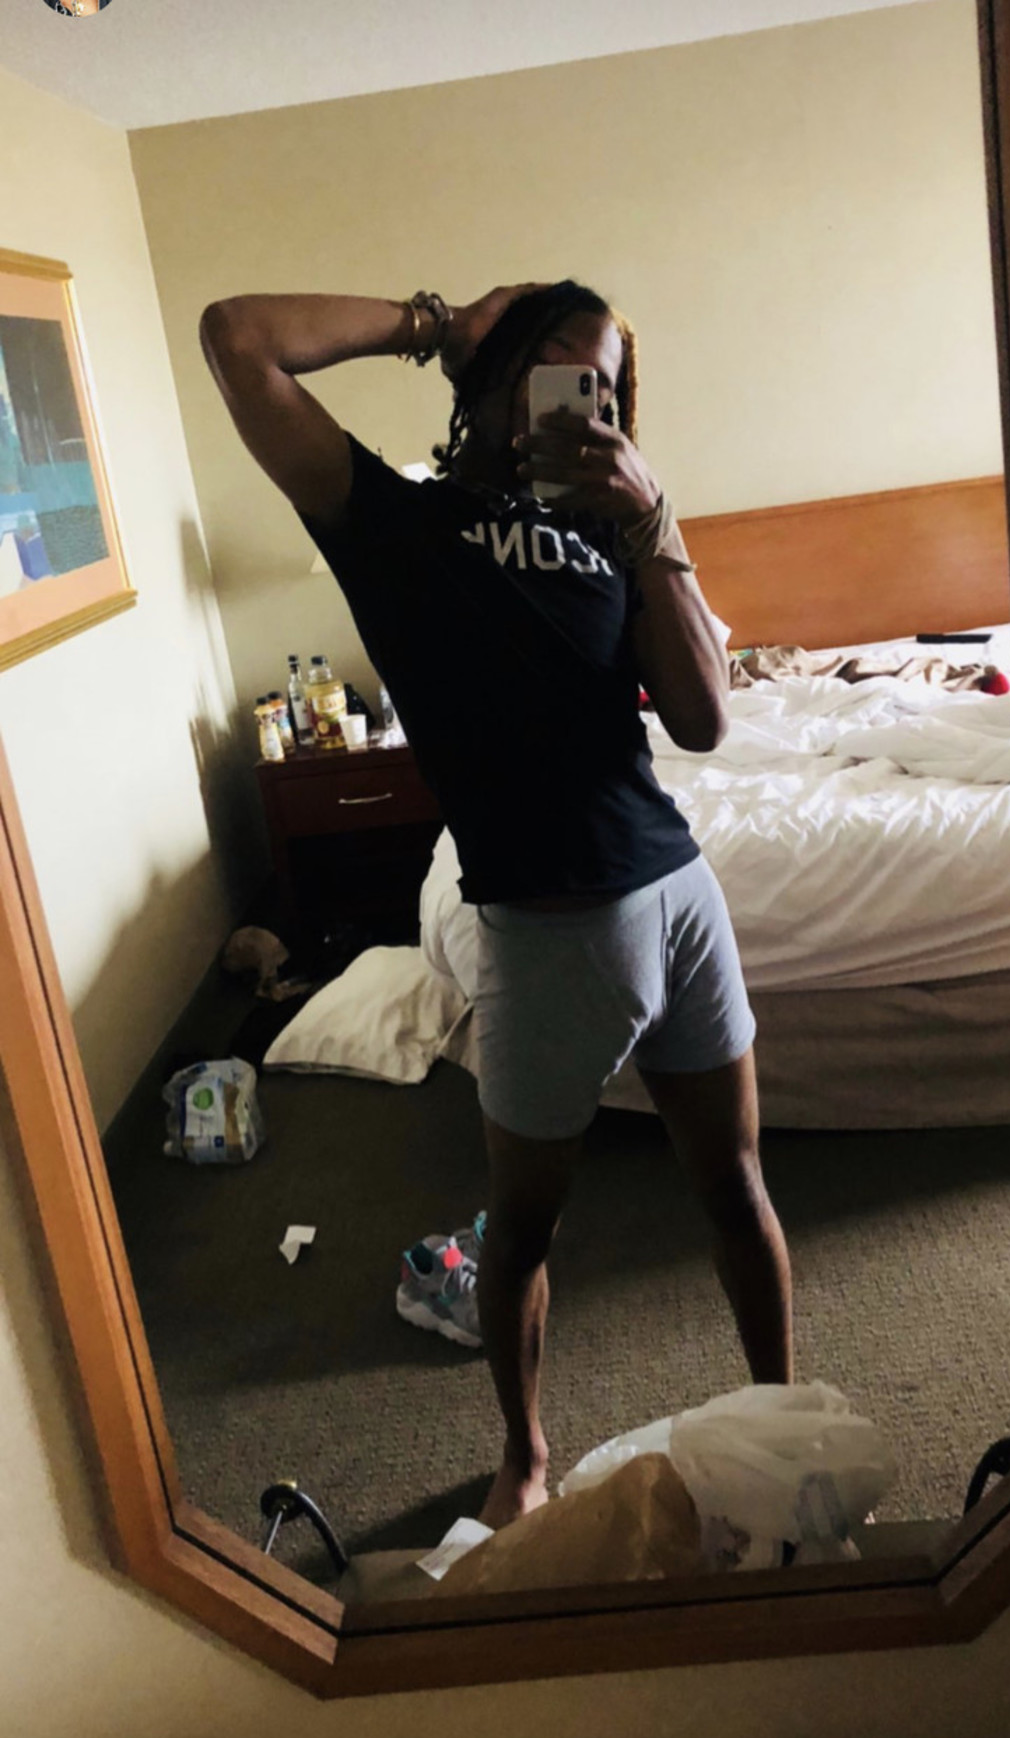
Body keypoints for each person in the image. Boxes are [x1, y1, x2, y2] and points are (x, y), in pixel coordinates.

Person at [200, 280, 794, 1528]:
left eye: (605, 382)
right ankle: (525, 1454)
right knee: (522, 1226)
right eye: (560, 364)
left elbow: (705, 718)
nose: (587, 396)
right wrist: (432, 322)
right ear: (495, 367)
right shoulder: (390, 517)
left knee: (736, 1182)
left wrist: (651, 517)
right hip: (540, 925)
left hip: (677, 895)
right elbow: (236, 338)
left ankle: (781, 1411)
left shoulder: (612, 527)